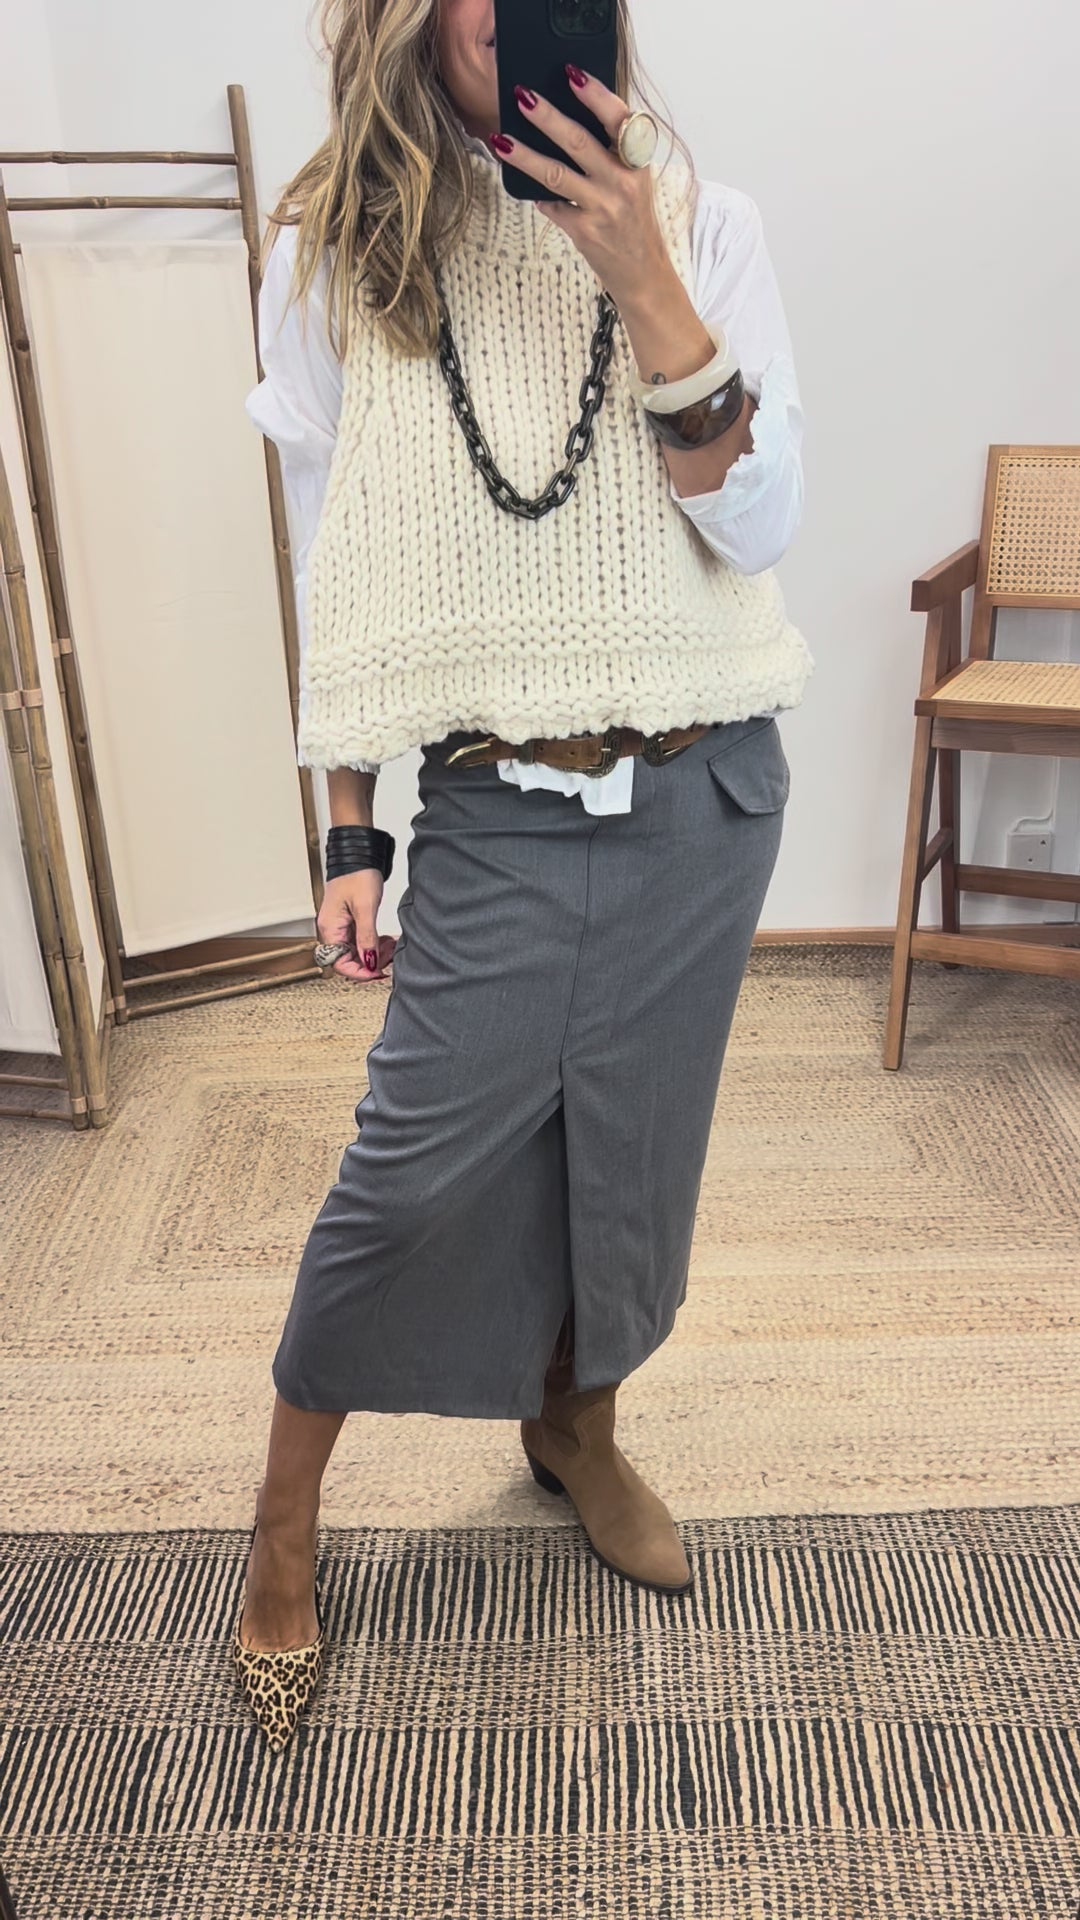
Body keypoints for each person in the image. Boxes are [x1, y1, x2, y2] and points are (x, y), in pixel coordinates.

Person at [233, 0, 813, 1751]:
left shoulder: (705, 222)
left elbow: (761, 523)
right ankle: (283, 1513)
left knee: (630, 1163)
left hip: (707, 789)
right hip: (497, 802)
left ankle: (579, 1426)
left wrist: (648, 281)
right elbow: (336, 554)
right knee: (404, 1182)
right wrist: (350, 822)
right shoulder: (346, 253)